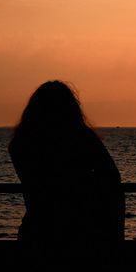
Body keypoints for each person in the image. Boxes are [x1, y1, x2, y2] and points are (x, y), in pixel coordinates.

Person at [9, 81, 124, 243]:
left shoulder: (21, 144)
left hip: (37, 229)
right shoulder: (83, 138)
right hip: (79, 229)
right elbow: (111, 176)